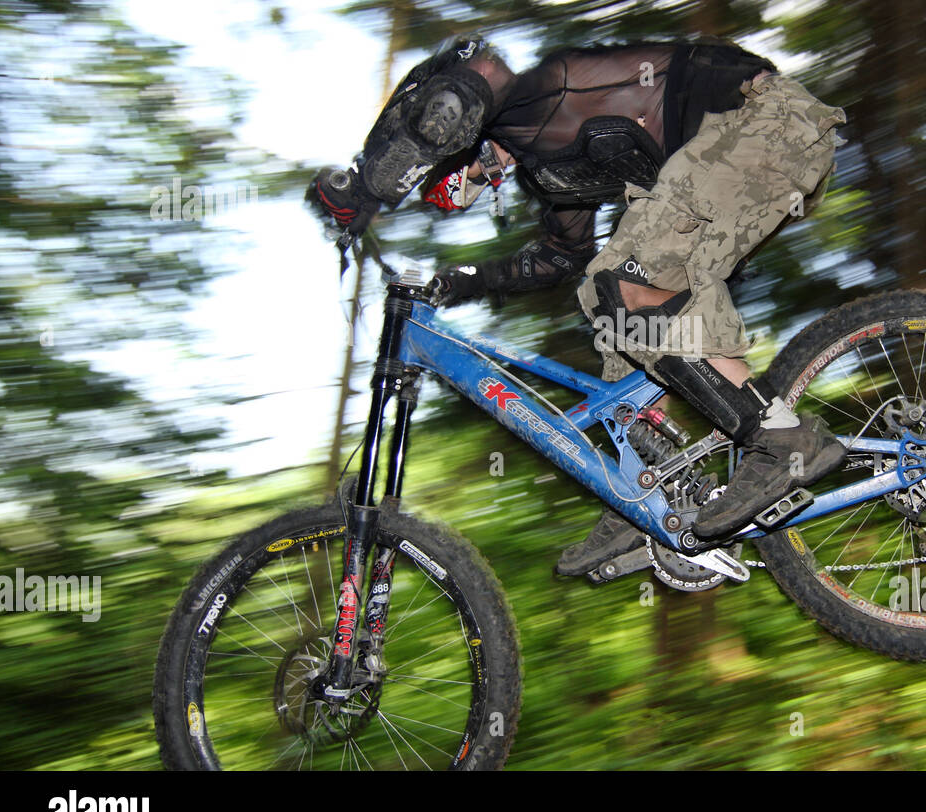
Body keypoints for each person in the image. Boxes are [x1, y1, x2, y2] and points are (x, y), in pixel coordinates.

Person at [307, 34, 847, 578]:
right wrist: (459, 283)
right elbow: (560, 256)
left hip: (762, 125)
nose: (492, 175)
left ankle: (780, 438)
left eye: (476, 172)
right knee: (604, 297)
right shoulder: (550, 170)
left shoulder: (530, 95)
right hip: (744, 157)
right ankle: (650, 484)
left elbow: (469, 82)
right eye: (484, 180)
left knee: (629, 283)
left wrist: (363, 186)